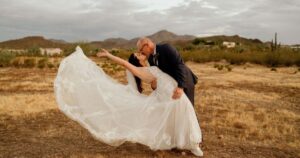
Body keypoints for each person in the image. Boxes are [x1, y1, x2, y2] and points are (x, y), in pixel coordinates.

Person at [54, 46, 203, 157]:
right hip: (165, 100)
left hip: (176, 97)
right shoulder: (145, 72)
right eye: (139, 54)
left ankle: (193, 144)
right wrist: (109, 55)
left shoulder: (155, 65)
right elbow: (126, 64)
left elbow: (174, 67)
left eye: (141, 52)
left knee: (186, 118)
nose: (141, 54)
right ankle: (183, 144)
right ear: (138, 60)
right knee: (168, 120)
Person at [135, 37, 198, 106]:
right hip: (172, 85)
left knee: (188, 107)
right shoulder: (150, 59)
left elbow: (179, 65)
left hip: (184, 80)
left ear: (147, 45)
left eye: (141, 50)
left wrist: (180, 87)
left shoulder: (166, 48)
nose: (141, 53)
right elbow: (157, 74)